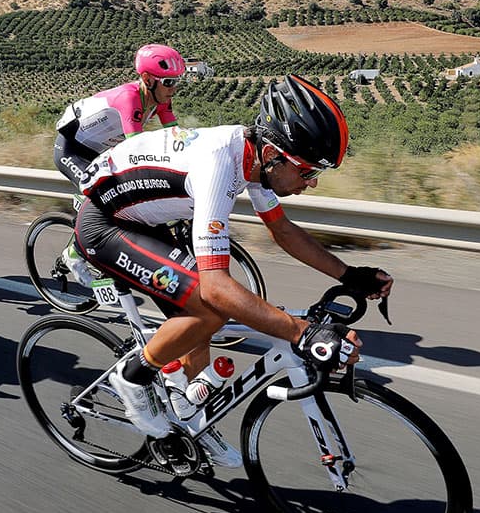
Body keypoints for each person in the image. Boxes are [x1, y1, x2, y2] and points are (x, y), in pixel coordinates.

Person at [73, 75, 393, 467]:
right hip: (105, 226)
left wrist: (348, 275)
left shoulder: (257, 159)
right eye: (308, 171)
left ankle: (188, 418)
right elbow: (217, 289)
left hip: (148, 219)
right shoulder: (218, 165)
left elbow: (283, 230)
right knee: (209, 308)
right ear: (275, 153)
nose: (311, 183)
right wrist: (300, 331)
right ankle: (133, 377)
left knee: (201, 319)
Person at [53, 43, 186, 280]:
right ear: (147, 79)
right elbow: (137, 149)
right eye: (168, 82)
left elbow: (176, 137)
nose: (173, 88)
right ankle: (74, 253)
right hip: (72, 150)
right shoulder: (130, 98)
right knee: (104, 198)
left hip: (100, 151)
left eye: (177, 81)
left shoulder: (161, 98)